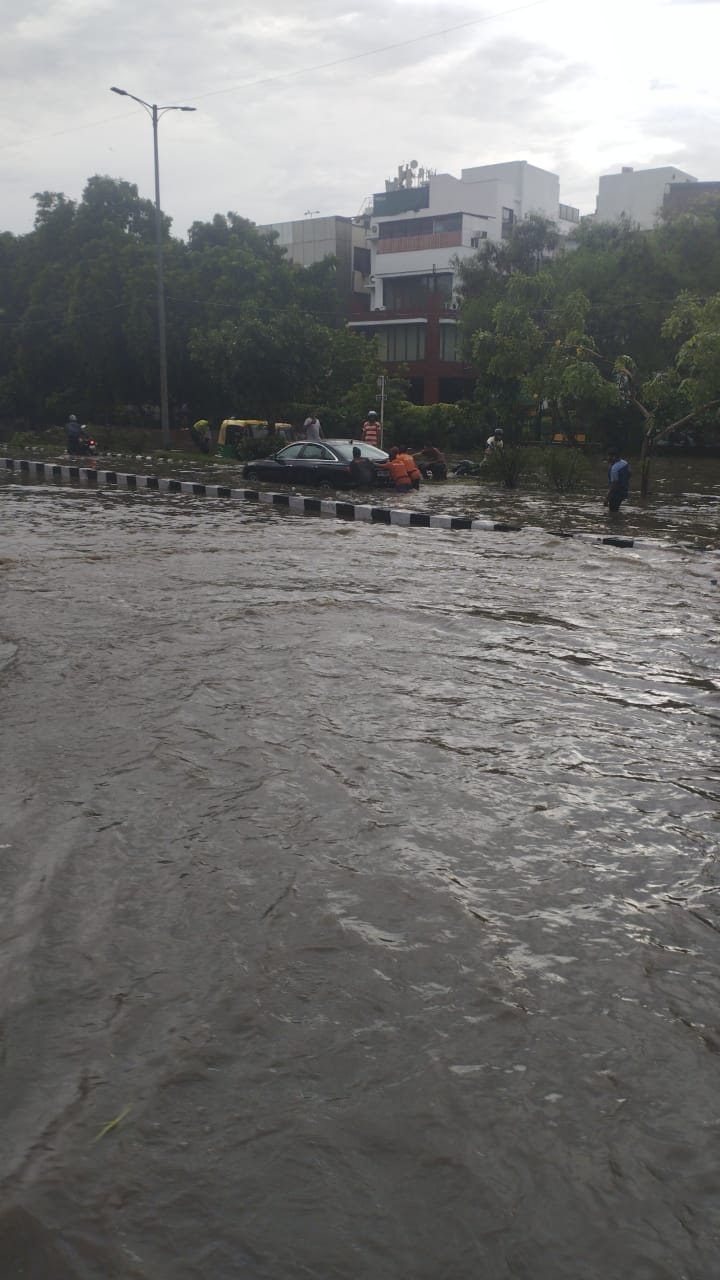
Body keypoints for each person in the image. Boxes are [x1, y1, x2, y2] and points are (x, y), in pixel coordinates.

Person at [604, 447, 631, 512]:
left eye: (608, 456)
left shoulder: (614, 469)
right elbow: (630, 474)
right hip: (624, 491)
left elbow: (614, 484)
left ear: (614, 457)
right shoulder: (625, 463)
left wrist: (607, 498)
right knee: (616, 510)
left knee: (612, 513)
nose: (607, 458)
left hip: (615, 494)